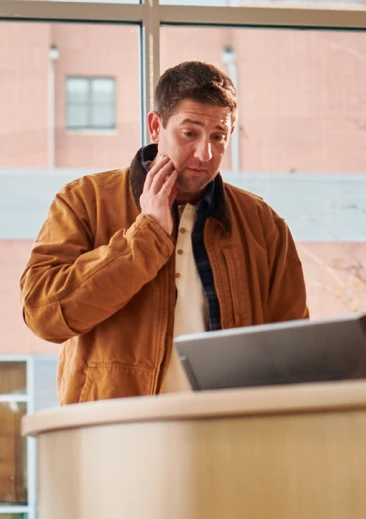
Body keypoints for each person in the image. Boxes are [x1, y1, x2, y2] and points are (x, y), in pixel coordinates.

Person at [20, 61, 308, 404]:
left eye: (219, 136)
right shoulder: (84, 200)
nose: (206, 153)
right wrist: (146, 237)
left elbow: (292, 351)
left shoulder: (263, 225)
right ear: (156, 126)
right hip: (118, 436)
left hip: (228, 434)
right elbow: (43, 315)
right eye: (190, 133)